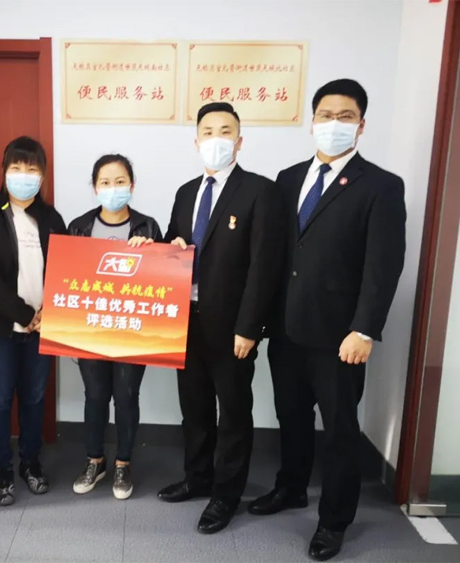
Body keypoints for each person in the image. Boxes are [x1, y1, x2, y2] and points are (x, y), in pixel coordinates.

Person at [247, 79, 406, 561]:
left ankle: (334, 521)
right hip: (286, 329)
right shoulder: (288, 178)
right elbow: (276, 253)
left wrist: (364, 329)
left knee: (338, 429)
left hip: (341, 337)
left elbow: (383, 265)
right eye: (325, 115)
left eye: (345, 116)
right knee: (291, 415)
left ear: (361, 125)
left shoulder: (380, 185)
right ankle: (291, 487)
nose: (333, 124)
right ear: (311, 120)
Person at [157, 102, 284, 533]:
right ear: (196, 141)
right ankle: (197, 478)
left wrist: (249, 327)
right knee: (194, 408)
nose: (216, 139)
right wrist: (161, 247)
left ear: (239, 141)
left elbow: (264, 266)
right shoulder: (186, 192)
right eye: (208, 132)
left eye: (225, 131)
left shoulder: (260, 191)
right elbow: (173, 247)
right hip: (185, 321)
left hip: (232, 328)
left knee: (232, 412)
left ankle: (226, 495)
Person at [0, 136, 66, 507]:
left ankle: (31, 463)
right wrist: (24, 314)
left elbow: (67, 270)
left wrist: (51, 312)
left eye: (32, 168)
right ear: (5, 171)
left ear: (42, 175)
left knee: (35, 398)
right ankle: (2, 469)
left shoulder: (52, 219)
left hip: (42, 328)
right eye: (16, 167)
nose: (24, 175)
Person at [67, 154, 163, 500]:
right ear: (95, 188)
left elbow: (164, 280)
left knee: (125, 397)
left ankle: (123, 463)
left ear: (132, 185)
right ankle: (95, 460)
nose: (113, 188)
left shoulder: (147, 226)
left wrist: (151, 251)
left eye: (120, 181)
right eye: (105, 182)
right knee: (95, 396)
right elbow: (67, 280)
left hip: (132, 330)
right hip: (91, 329)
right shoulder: (78, 226)